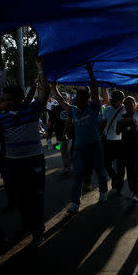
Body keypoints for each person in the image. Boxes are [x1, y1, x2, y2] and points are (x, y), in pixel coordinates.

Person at [0, 56, 51, 246]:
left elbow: (46, 93)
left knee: (35, 196)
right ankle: (26, 225)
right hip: (12, 163)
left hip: (33, 161)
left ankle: (37, 230)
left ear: (21, 98)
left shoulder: (32, 110)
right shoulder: (0, 119)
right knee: (19, 198)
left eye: (11, 99)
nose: (8, 103)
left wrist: (41, 70)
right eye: (5, 100)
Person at [51, 64, 108, 213]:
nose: (79, 100)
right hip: (80, 148)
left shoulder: (94, 108)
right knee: (77, 175)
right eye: (78, 98)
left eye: (83, 97)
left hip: (95, 146)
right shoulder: (74, 111)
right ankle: (75, 202)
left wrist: (91, 73)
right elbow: (60, 101)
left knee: (100, 170)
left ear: (88, 99)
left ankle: (103, 192)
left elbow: (95, 90)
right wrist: (53, 86)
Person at [116, 80, 138, 202]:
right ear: (124, 105)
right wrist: (121, 123)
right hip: (125, 146)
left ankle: (135, 192)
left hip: (137, 146)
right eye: (126, 103)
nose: (128, 105)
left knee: (136, 169)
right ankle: (131, 190)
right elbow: (117, 132)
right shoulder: (121, 117)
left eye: (131, 103)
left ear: (135, 104)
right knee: (129, 169)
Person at [101, 89, 125, 195]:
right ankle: (115, 178)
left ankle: (119, 187)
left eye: (115, 100)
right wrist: (100, 136)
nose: (112, 102)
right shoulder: (107, 110)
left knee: (120, 166)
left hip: (121, 142)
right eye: (112, 100)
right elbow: (103, 123)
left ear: (120, 100)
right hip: (109, 141)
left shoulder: (125, 110)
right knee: (106, 163)